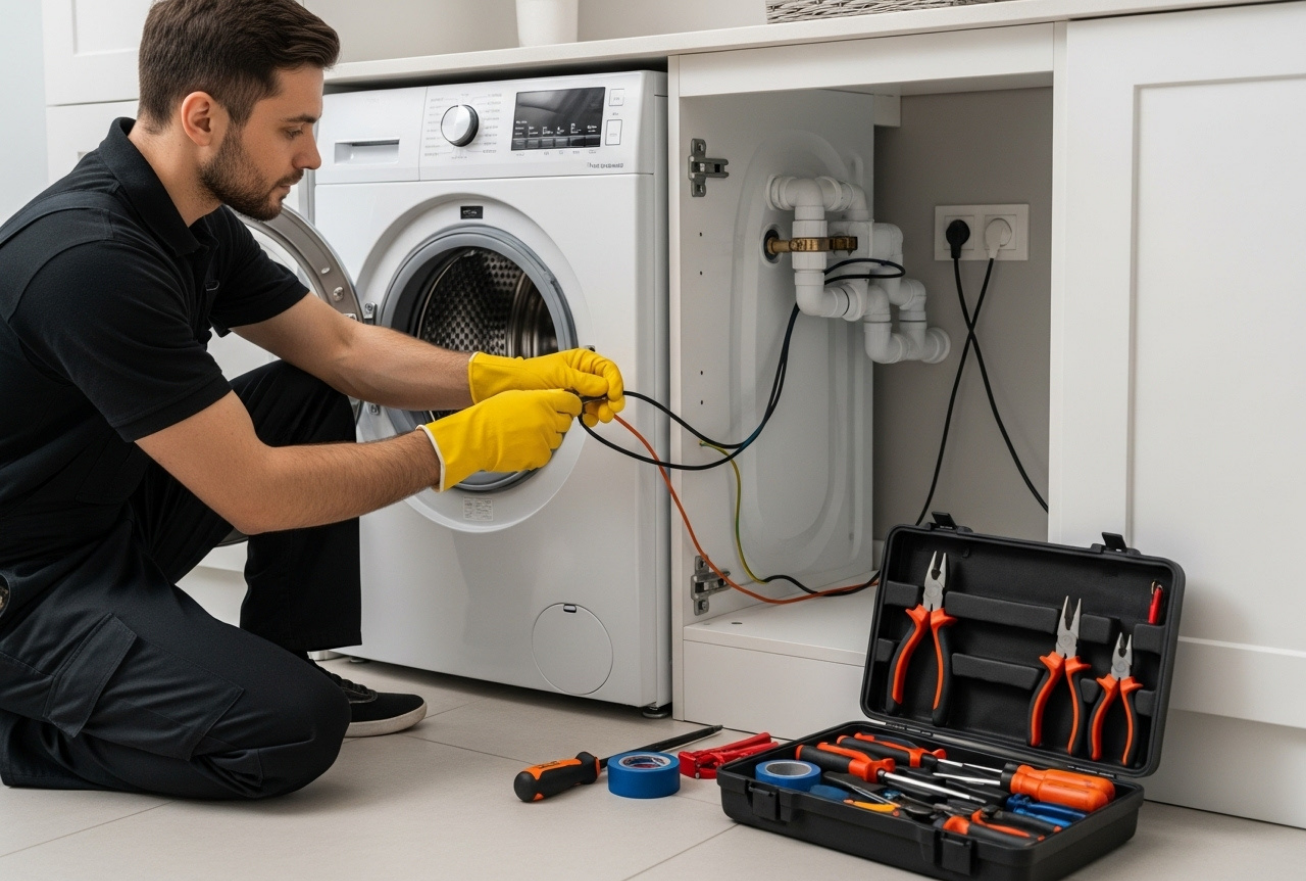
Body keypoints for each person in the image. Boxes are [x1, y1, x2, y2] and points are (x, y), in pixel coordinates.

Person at [0, 0, 624, 800]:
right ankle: (22, 733)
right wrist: (454, 448)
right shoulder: (92, 260)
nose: (314, 155)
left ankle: (285, 647)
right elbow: (253, 494)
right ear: (202, 118)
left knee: (309, 387)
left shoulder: (189, 219)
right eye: (292, 129)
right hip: (29, 583)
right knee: (292, 729)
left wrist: (506, 377)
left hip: (105, 509)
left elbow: (341, 348)